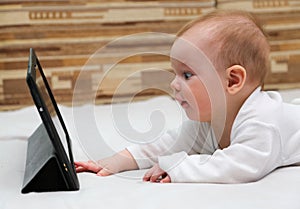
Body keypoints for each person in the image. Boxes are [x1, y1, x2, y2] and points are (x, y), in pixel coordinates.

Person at [74, 9, 300, 183]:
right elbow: (165, 145)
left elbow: (239, 166)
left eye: (187, 74)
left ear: (232, 81)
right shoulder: (211, 121)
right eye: (175, 73)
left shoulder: (262, 123)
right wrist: (116, 162)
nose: (174, 84)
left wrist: (178, 168)